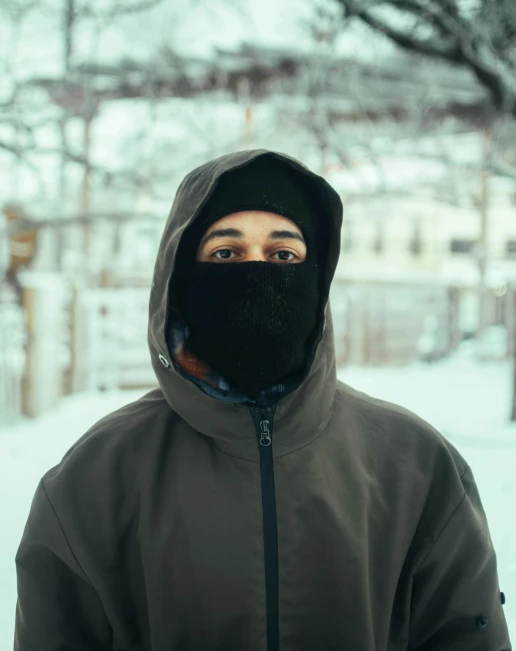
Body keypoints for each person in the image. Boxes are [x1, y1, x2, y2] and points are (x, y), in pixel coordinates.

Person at [14, 150, 511, 651]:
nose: (258, 275)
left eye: (284, 256)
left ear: (316, 278)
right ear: (183, 277)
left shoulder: (417, 467)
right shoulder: (96, 476)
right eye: (226, 254)